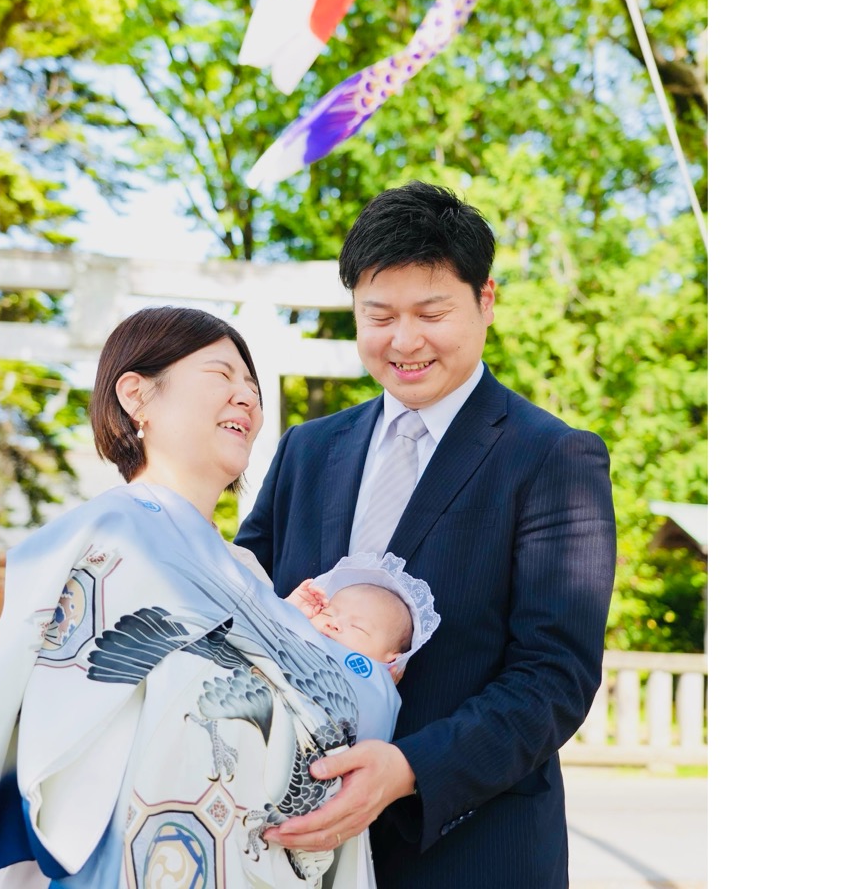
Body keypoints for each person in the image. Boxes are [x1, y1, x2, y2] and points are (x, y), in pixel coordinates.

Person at [234, 181, 618, 889]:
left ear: (486, 300)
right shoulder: (307, 450)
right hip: (287, 851)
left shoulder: (552, 457)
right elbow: (239, 603)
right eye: (378, 316)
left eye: (432, 313)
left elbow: (554, 676)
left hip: (471, 853)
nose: (404, 341)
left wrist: (409, 769)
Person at [0, 307, 430, 889]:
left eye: (253, 387)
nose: (247, 397)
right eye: (221, 375)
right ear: (136, 395)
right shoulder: (106, 538)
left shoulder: (246, 573)